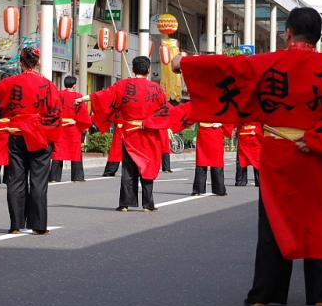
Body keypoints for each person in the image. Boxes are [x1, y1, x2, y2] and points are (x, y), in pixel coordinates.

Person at [174, 7, 322, 306]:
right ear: (319, 36)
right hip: (316, 154)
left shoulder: (268, 63)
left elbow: (229, 67)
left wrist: (186, 62)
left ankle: (266, 293)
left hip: (277, 149)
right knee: (319, 219)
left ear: (288, 33)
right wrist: (317, 140)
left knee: (274, 219)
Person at [0, 47, 61, 234]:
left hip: (16, 135)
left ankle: (16, 224)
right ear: (38, 62)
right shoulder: (48, 85)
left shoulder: (10, 83)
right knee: (38, 181)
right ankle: (39, 226)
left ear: (21, 63)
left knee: (16, 180)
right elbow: (56, 113)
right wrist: (50, 136)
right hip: (39, 136)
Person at [82, 56, 170, 212]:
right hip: (148, 134)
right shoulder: (156, 88)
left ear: (134, 68)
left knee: (128, 169)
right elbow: (165, 110)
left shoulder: (123, 85)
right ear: (149, 70)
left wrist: (85, 99)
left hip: (129, 134)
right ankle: (148, 204)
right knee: (147, 167)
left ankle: (125, 203)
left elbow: (105, 95)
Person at [170, 102, 227, 196]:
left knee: (203, 163)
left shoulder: (201, 102)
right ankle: (219, 189)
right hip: (212, 134)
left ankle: (198, 189)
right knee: (214, 162)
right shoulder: (219, 102)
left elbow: (188, 113)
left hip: (207, 133)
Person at [49, 76, 91, 182]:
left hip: (60, 128)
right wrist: (83, 127)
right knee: (76, 152)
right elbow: (83, 114)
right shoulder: (78, 96)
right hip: (73, 128)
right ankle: (77, 177)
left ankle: (54, 177)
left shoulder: (58, 95)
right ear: (74, 85)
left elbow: (53, 111)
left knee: (58, 152)